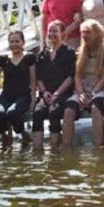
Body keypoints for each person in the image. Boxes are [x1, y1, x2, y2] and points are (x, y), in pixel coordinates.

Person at [61, 18, 104, 148]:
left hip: (100, 87)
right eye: (82, 32)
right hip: (83, 87)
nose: (84, 36)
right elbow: (77, 75)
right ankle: (66, 147)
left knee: (95, 109)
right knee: (68, 110)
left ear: (97, 34)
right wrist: (80, 94)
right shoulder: (79, 52)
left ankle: (98, 146)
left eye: (88, 32)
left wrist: (92, 93)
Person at [31, 21, 76, 149]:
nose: (51, 34)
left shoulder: (69, 53)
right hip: (46, 93)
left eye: (55, 31)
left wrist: (57, 93)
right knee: (38, 112)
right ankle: (37, 149)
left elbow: (70, 77)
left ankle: (54, 148)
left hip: (62, 92)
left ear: (62, 34)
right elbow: (39, 78)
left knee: (54, 112)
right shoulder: (42, 55)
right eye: (50, 31)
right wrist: (44, 92)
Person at [0, 30, 35, 146]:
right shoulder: (3, 59)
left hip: (23, 96)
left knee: (12, 112)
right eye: (11, 41)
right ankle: (4, 136)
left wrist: (34, 99)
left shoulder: (29, 58)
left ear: (23, 43)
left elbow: (33, 80)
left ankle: (23, 134)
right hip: (6, 96)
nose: (14, 44)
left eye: (17, 41)